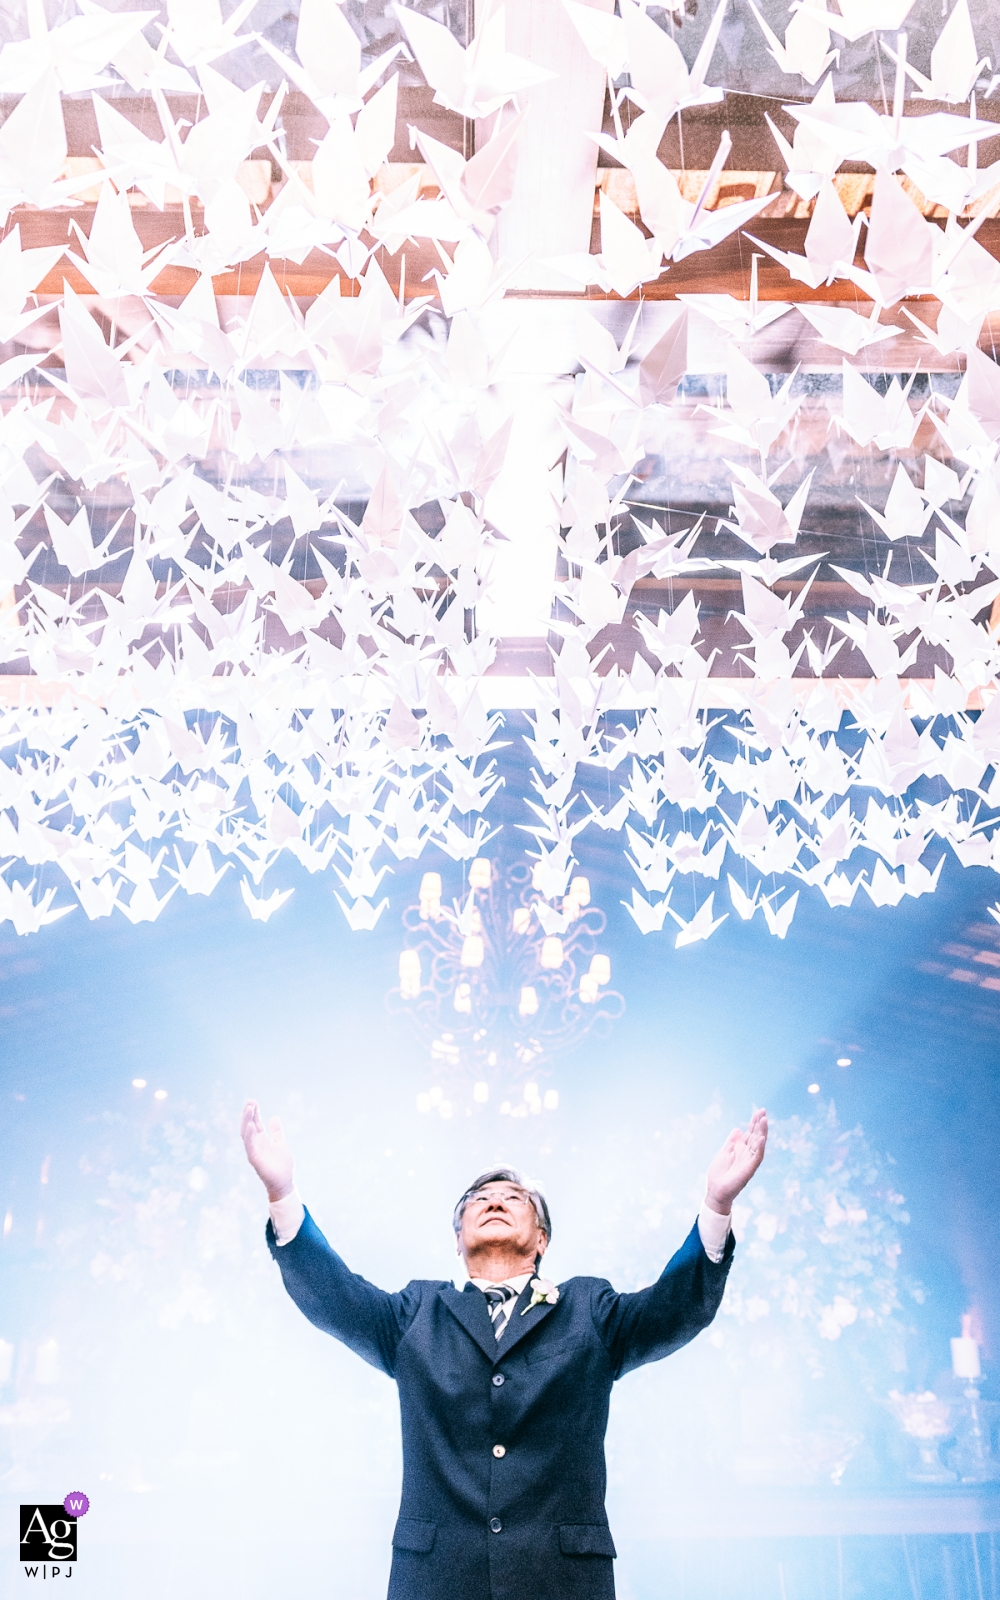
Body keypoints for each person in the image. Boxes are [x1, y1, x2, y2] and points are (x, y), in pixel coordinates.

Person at [240, 1100, 768, 1600]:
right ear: (457, 1239)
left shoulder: (588, 1309)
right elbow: (337, 1298)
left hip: (559, 1580)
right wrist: (283, 1194)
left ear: (541, 1240)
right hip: (437, 1579)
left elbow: (673, 1308)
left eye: (514, 1199)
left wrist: (717, 1205)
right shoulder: (417, 1312)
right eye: (478, 1200)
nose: (493, 1200)